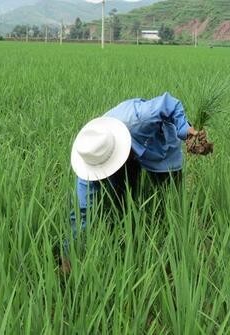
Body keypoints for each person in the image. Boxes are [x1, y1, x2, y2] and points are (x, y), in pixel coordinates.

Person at [62, 92, 198, 272]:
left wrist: (185, 132)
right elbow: (81, 212)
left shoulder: (140, 118)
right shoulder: (91, 153)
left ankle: (179, 236)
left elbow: (170, 104)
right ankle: (128, 227)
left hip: (158, 145)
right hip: (123, 151)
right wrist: (68, 254)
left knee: (171, 195)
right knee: (121, 196)